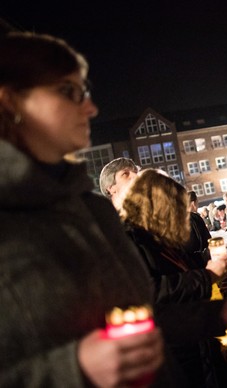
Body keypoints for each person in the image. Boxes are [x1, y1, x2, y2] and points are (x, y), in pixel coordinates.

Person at [0, 31, 166, 387]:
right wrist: (72, 369)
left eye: (84, 92)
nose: (90, 108)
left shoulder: (93, 210)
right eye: (68, 91)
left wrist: (217, 315)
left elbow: (140, 318)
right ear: (11, 101)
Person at [121, 169, 227, 387]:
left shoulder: (156, 238)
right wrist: (207, 275)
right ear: (159, 207)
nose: (181, 217)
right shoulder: (130, 242)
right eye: (176, 209)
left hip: (197, 343)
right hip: (175, 355)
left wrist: (209, 263)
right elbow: (150, 290)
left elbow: (180, 268)